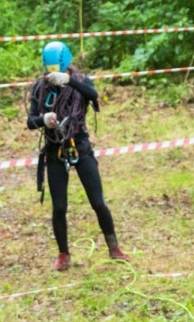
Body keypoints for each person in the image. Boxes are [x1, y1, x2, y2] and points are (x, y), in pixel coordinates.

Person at [25, 41, 130, 271]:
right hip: (55, 149)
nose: (52, 74)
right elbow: (30, 121)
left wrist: (69, 80)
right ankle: (63, 254)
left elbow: (93, 95)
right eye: (50, 69)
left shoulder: (81, 81)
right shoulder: (40, 87)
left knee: (98, 201)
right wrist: (44, 119)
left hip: (80, 146)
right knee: (59, 207)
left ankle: (114, 247)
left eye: (57, 69)